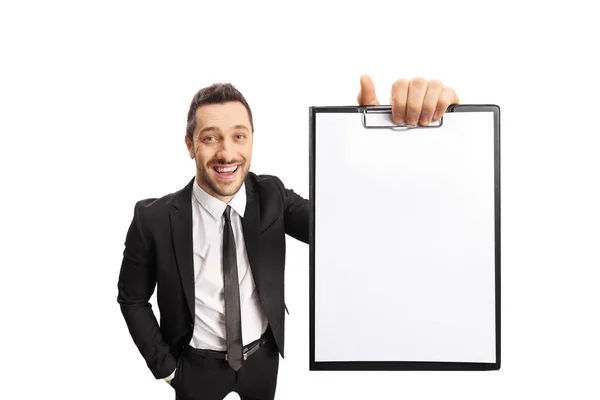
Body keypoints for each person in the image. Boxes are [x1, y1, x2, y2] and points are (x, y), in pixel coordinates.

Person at [117, 75, 459, 400]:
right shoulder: (153, 219)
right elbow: (132, 299)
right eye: (210, 138)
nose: (227, 153)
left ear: (252, 138)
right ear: (190, 145)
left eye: (239, 136)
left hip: (262, 359)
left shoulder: (272, 196)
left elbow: (343, 228)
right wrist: (168, 369)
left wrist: (385, 142)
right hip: (193, 365)